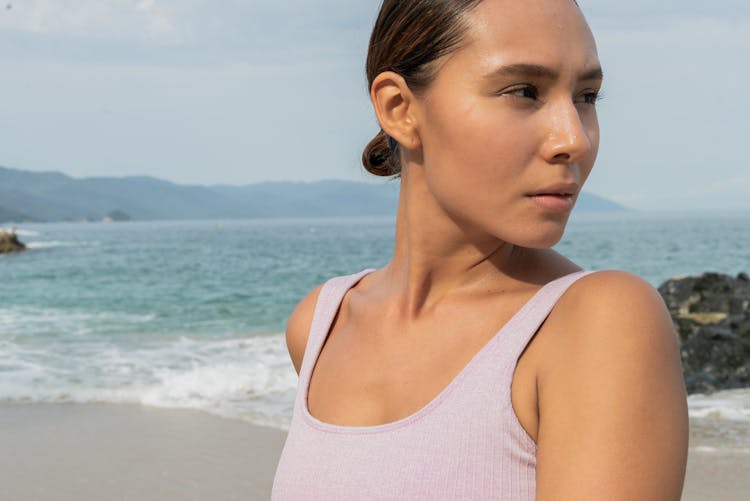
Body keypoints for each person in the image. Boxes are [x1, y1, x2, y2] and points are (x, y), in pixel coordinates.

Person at [272, 0, 689, 499]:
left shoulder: (597, 322)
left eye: (587, 96)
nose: (573, 139)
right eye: (524, 91)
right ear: (399, 110)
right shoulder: (321, 324)